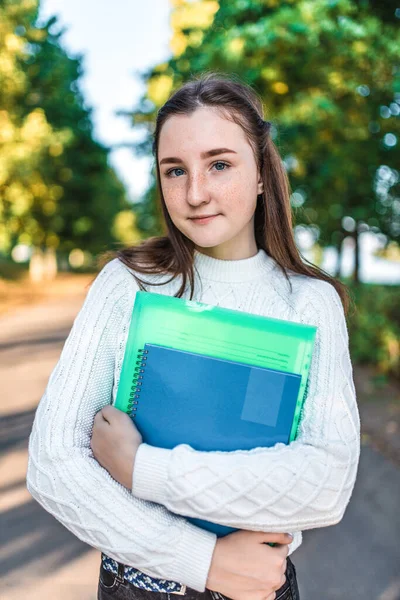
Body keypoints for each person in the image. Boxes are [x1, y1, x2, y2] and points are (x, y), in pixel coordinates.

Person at [26, 72, 360, 600]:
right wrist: (201, 561)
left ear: (259, 175)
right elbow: (53, 464)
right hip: (136, 589)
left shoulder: (308, 303)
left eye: (220, 164)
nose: (195, 193)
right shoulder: (129, 284)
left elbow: (325, 485)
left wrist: (143, 469)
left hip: (261, 587)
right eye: (174, 170)